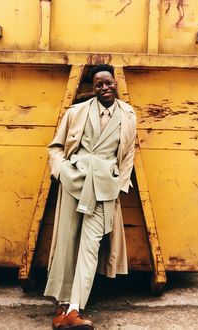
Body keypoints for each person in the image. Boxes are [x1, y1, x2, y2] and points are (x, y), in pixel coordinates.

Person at [44, 64, 136, 330]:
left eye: (108, 83)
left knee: (90, 248)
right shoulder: (77, 112)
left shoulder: (129, 115)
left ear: (115, 83)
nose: (104, 88)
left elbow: (128, 153)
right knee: (67, 243)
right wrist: (62, 171)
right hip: (75, 182)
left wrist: (120, 186)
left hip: (105, 188)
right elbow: (56, 147)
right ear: (92, 88)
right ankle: (62, 306)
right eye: (98, 85)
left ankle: (75, 309)